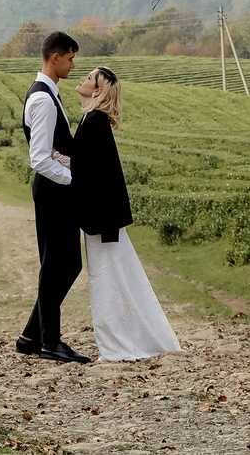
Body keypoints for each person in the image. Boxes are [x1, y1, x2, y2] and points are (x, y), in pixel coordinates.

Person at [70, 67, 180, 360]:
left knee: (109, 277)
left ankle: (122, 340)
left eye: (90, 78)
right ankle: (132, 335)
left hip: (101, 219)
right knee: (117, 276)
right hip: (103, 218)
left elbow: (85, 169)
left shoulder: (94, 121)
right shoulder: (93, 119)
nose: (82, 78)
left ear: (97, 91)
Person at [16, 29, 91, 363]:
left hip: (58, 191)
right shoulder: (43, 99)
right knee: (55, 266)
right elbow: (39, 158)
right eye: (71, 58)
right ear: (55, 57)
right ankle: (50, 342)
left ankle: (31, 336)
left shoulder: (50, 93)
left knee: (69, 264)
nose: (73, 64)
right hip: (52, 190)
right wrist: (73, 179)